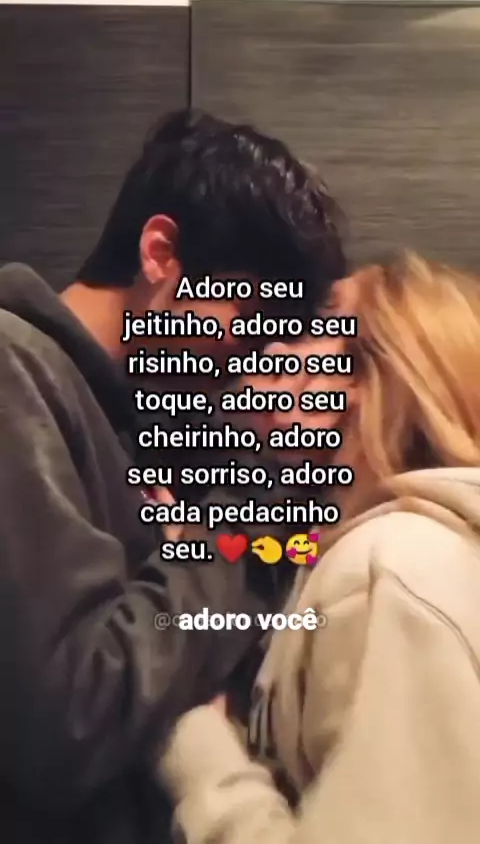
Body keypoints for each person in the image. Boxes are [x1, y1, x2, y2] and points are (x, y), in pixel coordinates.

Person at [0, 108, 346, 844]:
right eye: (253, 313)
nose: (258, 355)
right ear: (161, 254)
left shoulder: (145, 416)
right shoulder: (15, 372)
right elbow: (75, 717)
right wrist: (235, 531)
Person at [157, 252, 480, 844]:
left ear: (373, 380)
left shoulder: (390, 568)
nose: (274, 347)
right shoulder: (415, 550)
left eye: (315, 326)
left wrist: (198, 748)